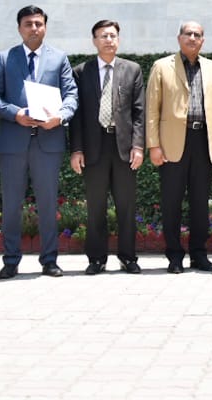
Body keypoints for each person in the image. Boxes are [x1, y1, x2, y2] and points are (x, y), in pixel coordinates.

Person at [0, 5, 78, 279]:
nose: (34, 28)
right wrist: (15, 114)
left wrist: (60, 117)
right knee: (11, 204)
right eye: (28, 24)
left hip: (48, 142)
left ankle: (49, 260)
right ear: (19, 28)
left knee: (48, 203)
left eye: (39, 23)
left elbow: (71, 95)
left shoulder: (59, 58)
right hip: (14, 143)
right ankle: (11, 260)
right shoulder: (5, 58)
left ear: (45, 27)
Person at [146, 21, 212, 274]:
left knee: (201, 203)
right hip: (171, 144)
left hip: (204, 141)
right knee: (172, 201)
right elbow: (152, 109)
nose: (193, 37)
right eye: (188, 33)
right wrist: (153, 145)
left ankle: (199, 254)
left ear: (203, 40)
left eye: (198, 34)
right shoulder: (161, 66)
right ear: (179, 38)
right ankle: (174, 256)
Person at [69, 20, 146, 275]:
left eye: (113, 35)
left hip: (123, 146)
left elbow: (139, 112)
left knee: (126, 206)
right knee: (96, 207)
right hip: (94, 147)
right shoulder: (82, 71)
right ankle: (96, 258)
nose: (108, 40)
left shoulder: (132, 70)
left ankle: (128, 257)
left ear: (119, 40)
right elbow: (77, 115)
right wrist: (76, 149)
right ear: (94, 41)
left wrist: (138, 145)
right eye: (103, 36)